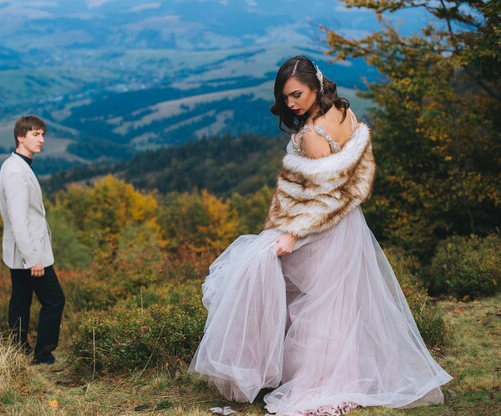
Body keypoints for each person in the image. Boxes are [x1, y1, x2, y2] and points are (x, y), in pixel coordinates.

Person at [189, 56, 452, 415]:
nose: (291, 104)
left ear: (315, 86)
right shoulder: (343, 110)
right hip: (349, 223)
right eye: (285, 98)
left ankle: (313, 379)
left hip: (324, 226)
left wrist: (291, 236)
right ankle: (329, 370)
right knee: (332, 302)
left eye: (296, 94)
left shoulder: (312, 135)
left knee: (291, 289)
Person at [0, 115, 65, 365]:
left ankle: (18, 348)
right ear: (20, 136)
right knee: (55, 300)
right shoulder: (16, 172)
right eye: (35, 134)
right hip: (29, 252)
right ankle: (43, 353)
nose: (41, 140)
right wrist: (33, 258)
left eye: (43, 134)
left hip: (18, 253)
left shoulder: (12, 164)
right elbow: (18, 220)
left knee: (21, 299)